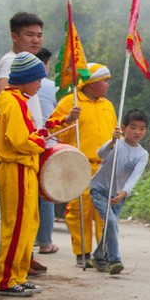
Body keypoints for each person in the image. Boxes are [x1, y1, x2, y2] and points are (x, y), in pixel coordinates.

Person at [0, 12, 50, 275]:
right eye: (30, 34)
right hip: (15, 163)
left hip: (23, 164)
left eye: (39, 34)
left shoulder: (18, 96)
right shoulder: (11, 95)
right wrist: (40, 140)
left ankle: (17, 273)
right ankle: (5, 278)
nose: (36, 39)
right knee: (16, 225)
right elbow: (17, 138)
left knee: (26, 222)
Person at [49, 63, 117, 266]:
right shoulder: (71, 102)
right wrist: (69, 119)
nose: (107, 84)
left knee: (104, 213)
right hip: (79, 166)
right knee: (80, 211)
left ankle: (102, 252)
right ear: (92, 83)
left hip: (104, 167)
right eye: (104, 80)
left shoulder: (108, 105)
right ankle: (82, 252)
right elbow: (53, 129)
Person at [90, 109, 149, 275]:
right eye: (133, 127)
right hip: (100, 190)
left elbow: (134, 177)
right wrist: (111, 142)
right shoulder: (116, 143)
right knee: (111, 222)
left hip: (118, 195)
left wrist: (124, 192)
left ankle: (99, 256)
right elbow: (100, 154)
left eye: (142, 128)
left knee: (110, 226)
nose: (137, 131)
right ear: (123, 128)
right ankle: (115, 260)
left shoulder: (142, 154)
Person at [34, 48, 60, 255]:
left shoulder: (13, 87)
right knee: (46, 195)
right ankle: (45, 243)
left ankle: (29, 242)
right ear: (45, 64)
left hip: (27, 146)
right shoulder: (52, 87)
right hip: (49, 147)